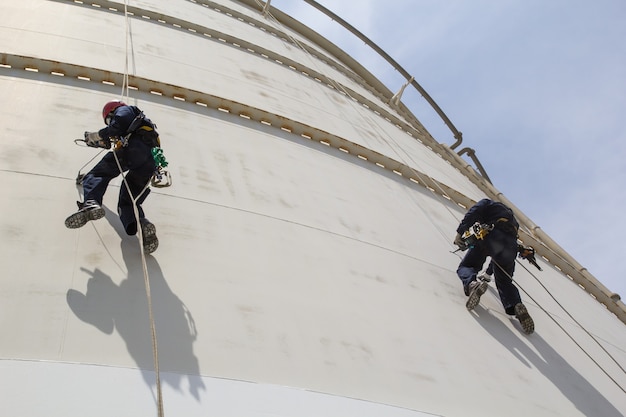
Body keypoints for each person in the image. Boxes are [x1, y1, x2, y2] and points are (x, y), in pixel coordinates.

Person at [65, 100, 160, 254]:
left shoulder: (125, 110)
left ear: (113, 111)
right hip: (149, 162)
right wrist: (102, 139)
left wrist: (97, 135)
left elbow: (120, 122)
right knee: (128, 201)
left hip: (134, 150)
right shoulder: (141, 124)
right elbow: (115, 133)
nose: (111, 122)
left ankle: (91, 202)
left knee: (97, 174)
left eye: (109, 119)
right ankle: (142, 224)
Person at [453, 198, 534, 334]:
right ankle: (515, 305)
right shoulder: (513, 221)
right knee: (505, 281)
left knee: (467, 266)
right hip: (511, 247)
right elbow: (496, 258)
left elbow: (474, 212)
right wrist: (488, 274)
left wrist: (460, 232)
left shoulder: (487, 203)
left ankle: (472, 284)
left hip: (490, 236)